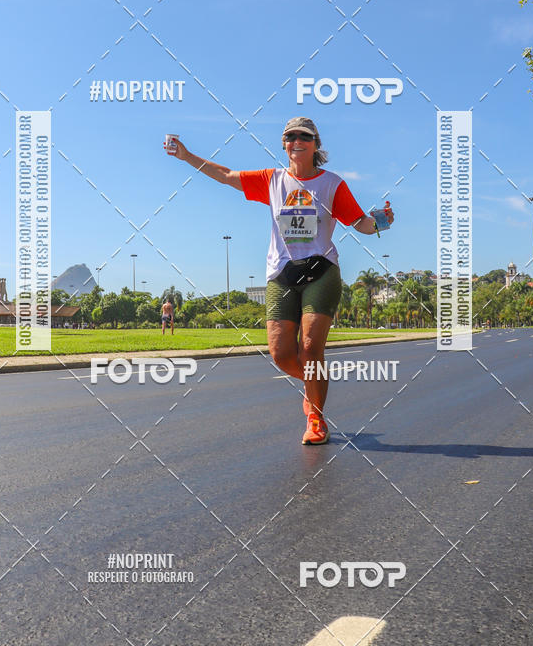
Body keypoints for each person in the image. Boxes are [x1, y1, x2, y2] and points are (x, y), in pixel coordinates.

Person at [169, 117, 394, 444]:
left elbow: (359, 222)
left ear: (316, 144)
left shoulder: (331, 184)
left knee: (310, 348)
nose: (296, 141)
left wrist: (380, 223)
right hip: (282, 274)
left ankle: (316, 418)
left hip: (320, 271)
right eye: (290, 136)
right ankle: (313, 385)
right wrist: (186, 156)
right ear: (284, 144)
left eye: (304, 136)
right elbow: (226, 175)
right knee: (280, 354)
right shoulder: (272, 180)